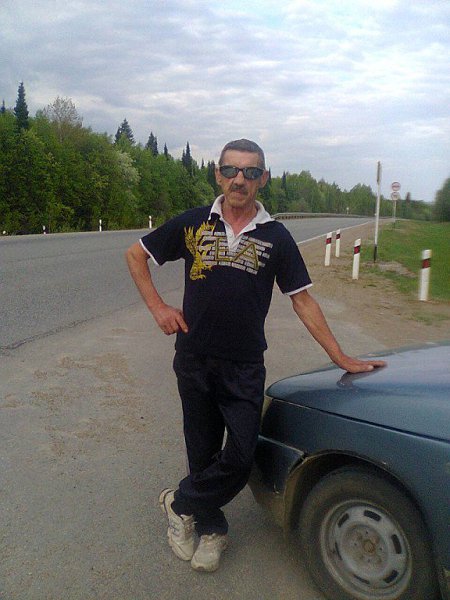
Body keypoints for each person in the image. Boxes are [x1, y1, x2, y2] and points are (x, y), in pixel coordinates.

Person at [125, 139, 385, 573]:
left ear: (263, 178)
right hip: (194, 359)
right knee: (202, 451)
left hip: (244, 366)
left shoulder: (276, 237)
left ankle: (179, 502)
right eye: (230, 170)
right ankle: (212, 529)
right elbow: (136, 255)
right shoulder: (194, 223)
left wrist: (341, 356)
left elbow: (303, 301)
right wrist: (158, 307)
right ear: (218, 175)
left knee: (242, 456)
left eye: (249, 172)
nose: (238, 180)